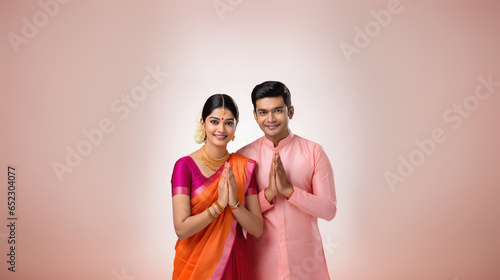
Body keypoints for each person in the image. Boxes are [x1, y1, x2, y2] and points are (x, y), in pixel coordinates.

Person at [237, 81, 337, 280]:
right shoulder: (243, 158)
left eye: (278, 110)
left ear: (290, 111)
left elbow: (329, 210)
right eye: (263, 112)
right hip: (259, 267)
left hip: (307, 266)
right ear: (255, 115)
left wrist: (290, 191)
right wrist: (268, 195)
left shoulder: (314, 152)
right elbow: (237, 216)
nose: (271, 118)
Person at [171, 94, 263, 280]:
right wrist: (219, 206)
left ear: (235, 127)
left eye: (229, 123)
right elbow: (181, 230)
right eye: (214, 121)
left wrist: (234, 204)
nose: (221, 129)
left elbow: (257, 228)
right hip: (193, 264)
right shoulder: (184, 166)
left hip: (233, 259)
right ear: (203, 124)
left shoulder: (244, 167)